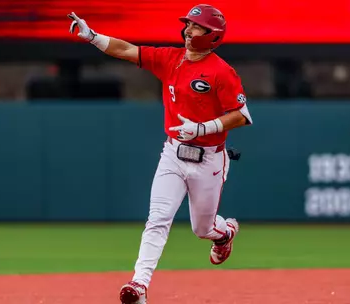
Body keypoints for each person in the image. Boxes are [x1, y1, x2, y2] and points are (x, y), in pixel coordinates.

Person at [68, 4, 253, 303]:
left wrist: (202, 128)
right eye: (188, 25)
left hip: (209, 159)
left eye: (196, 26)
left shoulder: (222, 71)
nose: (188, 30)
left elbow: (242, 115)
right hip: (173, 155)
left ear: (212, 35)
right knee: (157, 219)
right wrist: (92, 36)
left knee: (201, 227)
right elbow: (128, 50)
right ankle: (138, 285)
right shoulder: (171, 58)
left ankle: (225, 233)